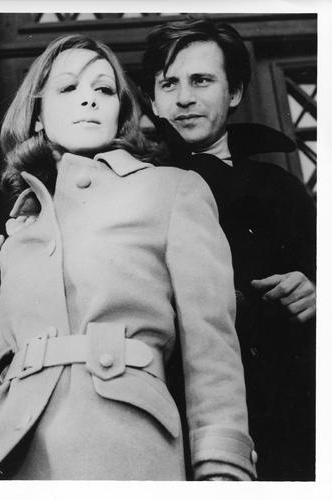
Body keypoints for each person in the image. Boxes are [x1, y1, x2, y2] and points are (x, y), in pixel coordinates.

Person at [0, 34, 256, 481]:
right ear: (37, 115)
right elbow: (0, 366)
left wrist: (222, 467)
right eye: (69, 87)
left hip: (123, 452)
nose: (89, 99)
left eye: (104, 89)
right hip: (5, 458)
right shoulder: (21, 229)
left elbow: (212, 351)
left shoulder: (172, 190)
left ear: (119, 113)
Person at [141, 16, 316, 481]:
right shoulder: (130, 187)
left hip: (282, 415)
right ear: (152, 99)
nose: (183, 98)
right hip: (169, 413)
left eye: (201, 80)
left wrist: (317, 293)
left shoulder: (281, 188)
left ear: (234, 92)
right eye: (168, 84)